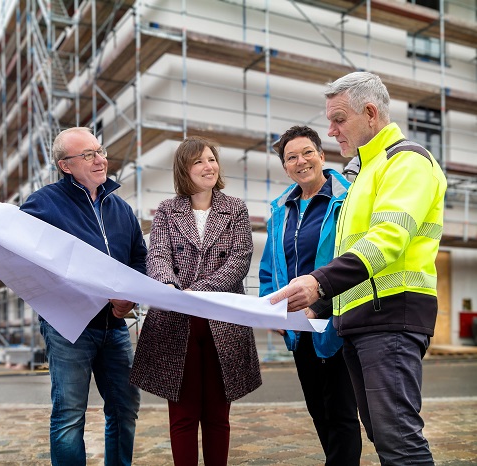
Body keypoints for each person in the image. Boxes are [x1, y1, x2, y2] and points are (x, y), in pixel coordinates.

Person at [270, 72, 447, 465]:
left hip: (391, 319)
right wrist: (323, 307)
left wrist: (318, 283)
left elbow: (386, 240)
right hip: (362, 322)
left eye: (338, 119)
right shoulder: (367, 172)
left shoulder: (406, 162)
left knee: (399, 441)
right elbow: (352, 255)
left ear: (370, 113)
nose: (330, 131)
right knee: (386, 439)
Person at [0, 127, 147, 466]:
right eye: (88, 154)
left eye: (100, 151)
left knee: (125, 408)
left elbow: (138, 259)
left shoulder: (120, 208)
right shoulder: (44, 203)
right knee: (70, 415)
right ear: (65, 165)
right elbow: (8, 241)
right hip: (67, 327)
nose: (100, 159)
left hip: (115, 326)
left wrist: (130, 296)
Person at [130, 136, 262, 466]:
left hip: (224, 320)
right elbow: (157, 255)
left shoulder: (235, 208)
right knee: (183, 416)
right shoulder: (166, 210)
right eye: (199, 161)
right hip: (177, 321)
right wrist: (172, 288)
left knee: (218, 415)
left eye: (212, 159)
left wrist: (197, 292)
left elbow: (239, 260)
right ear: (184, 170)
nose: (209, 166)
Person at [259, 125, 361, 465]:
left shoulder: (347, 199)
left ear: (321, 155)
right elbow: (270, 266)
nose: (300, 161)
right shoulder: (280, 210)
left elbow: (354, 262)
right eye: (291, 157)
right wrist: (270, 308)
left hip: (338, 321)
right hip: (299, 327)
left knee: (341, 412)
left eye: (306, 153)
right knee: (318, 409)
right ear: (285, 167)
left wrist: (321, 306)